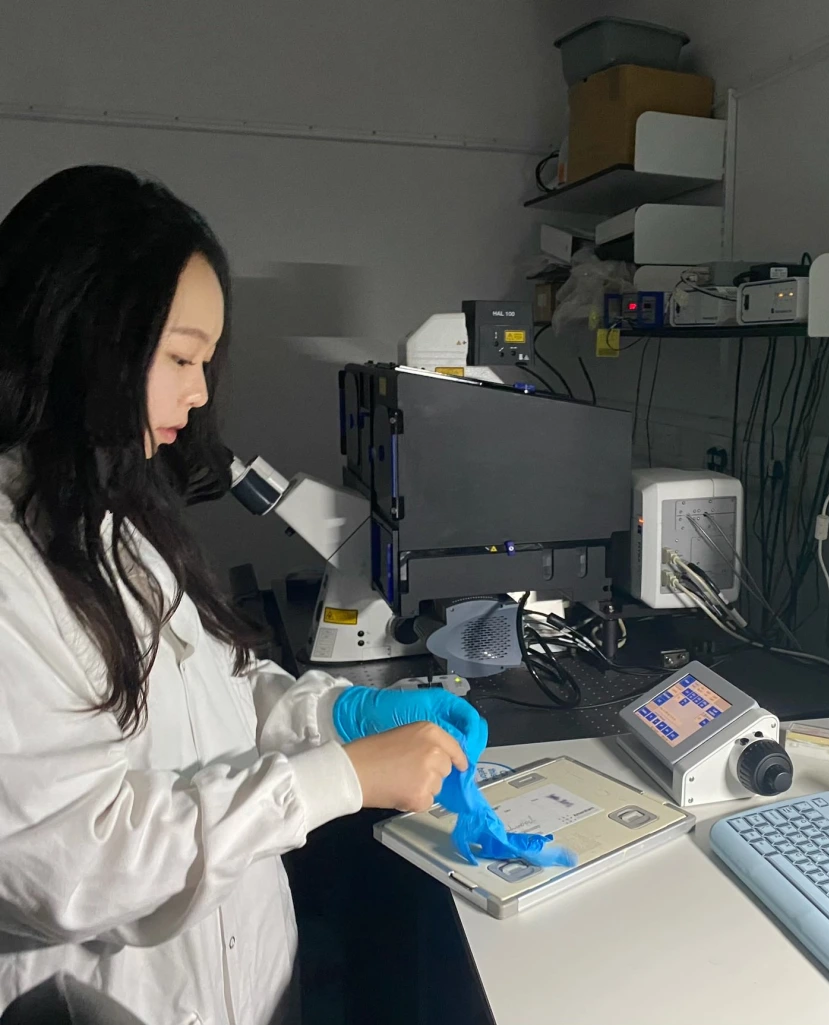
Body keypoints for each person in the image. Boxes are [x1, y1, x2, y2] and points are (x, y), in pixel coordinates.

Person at [0, 165, 476, 1024]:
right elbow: (78, 863)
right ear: (81, 337)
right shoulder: (8, 571)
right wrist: (340, 777)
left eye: (206, 361)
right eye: (181, 356)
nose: (200, 391)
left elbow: (219, 690)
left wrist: (343, 717)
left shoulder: (111, 518)